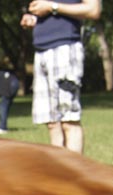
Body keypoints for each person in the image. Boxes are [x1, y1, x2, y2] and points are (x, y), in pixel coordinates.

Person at [20, 0, 100, 153]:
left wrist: (52, 7)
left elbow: (93, 10)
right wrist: (34, 20)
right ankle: (60, 174)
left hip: (65, 49)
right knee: (52, 123)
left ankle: (76, 174)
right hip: (41, 51)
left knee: (68, 121)